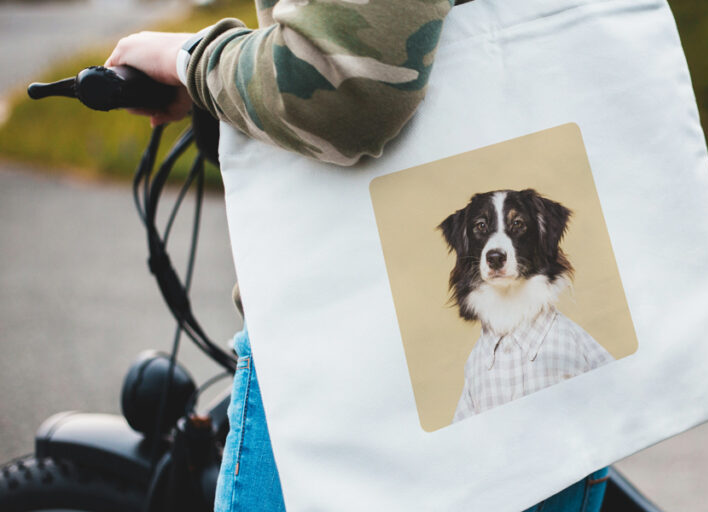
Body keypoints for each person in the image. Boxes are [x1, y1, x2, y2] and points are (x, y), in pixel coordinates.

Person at [105, 1, 609, 510]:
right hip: (542, 435)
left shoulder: (564, 347)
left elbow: (341, 84)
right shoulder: (485, 355)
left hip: (335, 357)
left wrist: (192, 60)